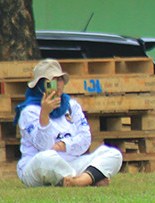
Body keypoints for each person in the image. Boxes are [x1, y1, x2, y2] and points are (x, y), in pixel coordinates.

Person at [15, 59, 123, 187]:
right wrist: (45, 114)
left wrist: (63, 145)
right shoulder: (29, 112)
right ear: (41, 84)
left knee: (113, 154)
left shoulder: (72, 106)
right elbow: (44, 147)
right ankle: (89, 178)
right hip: (38, 167)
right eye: (52, 81)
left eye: (60, 80)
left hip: (72, 162)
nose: (58, 84)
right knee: (48, 157)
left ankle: (79, 181)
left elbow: (85, 139)